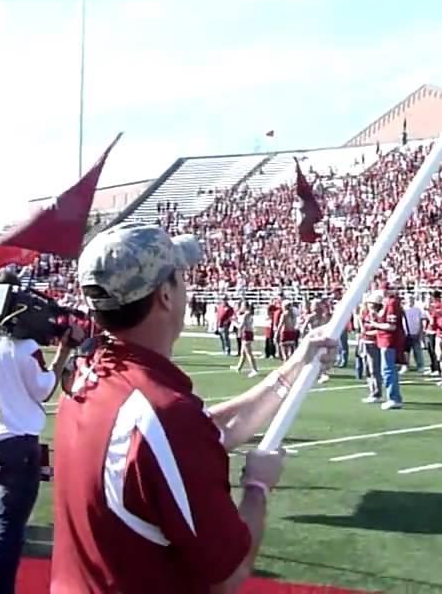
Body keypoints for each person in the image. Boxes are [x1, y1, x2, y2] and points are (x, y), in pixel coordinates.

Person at [50, 223, 336, 593]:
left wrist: (294, 368)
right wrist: (258, 486)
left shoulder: (87, 373)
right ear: (165, 295)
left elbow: (195, 435)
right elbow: (227, 573)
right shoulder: (162, 414)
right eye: (181, 276)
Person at [0, 270, 79, 593]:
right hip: (17, 445)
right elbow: (44, 389)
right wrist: (64, 353)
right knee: (8, 530)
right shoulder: (21, 346)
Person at [233, 300, 259, 376]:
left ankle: (254, 369)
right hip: (246, 333)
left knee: (248, 353)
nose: (241, 307)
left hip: (246, 333)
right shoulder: (247, 314)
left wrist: (234, 322)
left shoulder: (246, 314)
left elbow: (240, 326)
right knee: (243, 352)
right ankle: (239, 367)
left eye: (242, 306)